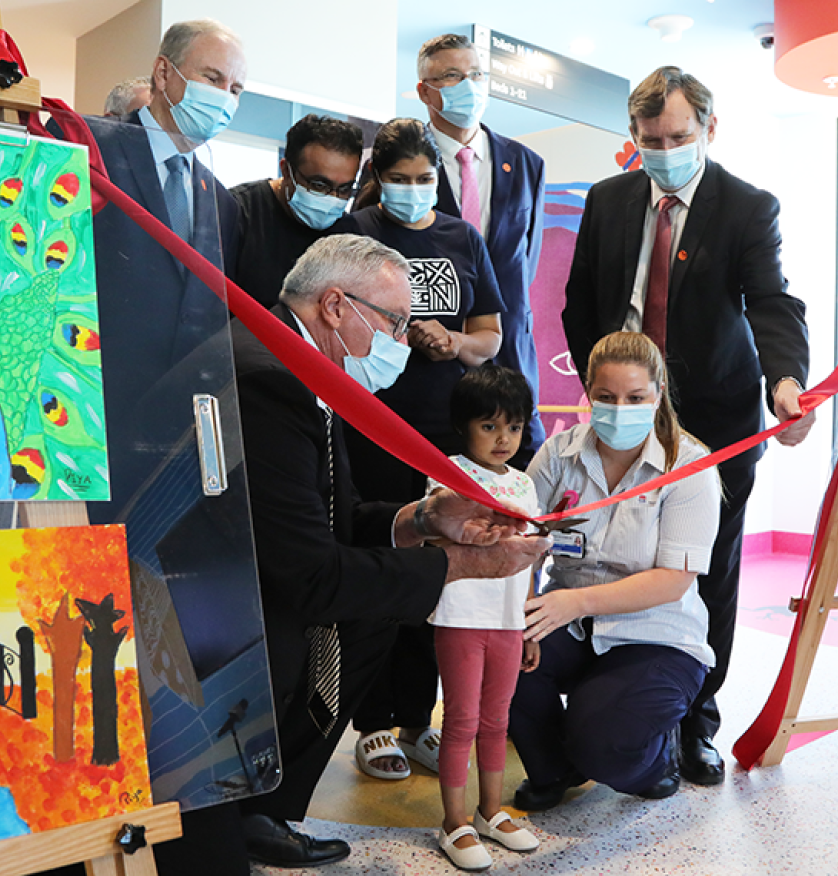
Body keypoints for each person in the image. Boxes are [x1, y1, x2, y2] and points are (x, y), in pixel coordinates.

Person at [184, 235, 543, 872]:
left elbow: (336, 517)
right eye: (396, 321)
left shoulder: (301, 368)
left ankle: (263, 807)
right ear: (334, 307)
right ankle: (240, 806)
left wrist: (424, 518)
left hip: (263, 585)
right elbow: (310, 572)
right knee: (372, 609)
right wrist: (457, 565)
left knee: (380, 609)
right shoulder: (271, 381)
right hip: (220, 618)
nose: (405, 340)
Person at [562, 66, 813, 786]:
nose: (663, 150)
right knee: (611, 552)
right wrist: (600, 386)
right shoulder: (608, 201)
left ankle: (695, 721)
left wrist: (784, 383)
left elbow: (769, 303)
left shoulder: (744, 206)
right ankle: (617, 701)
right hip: (621, 411)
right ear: (633, 136)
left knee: (707, 570)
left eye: (677, 136)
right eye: (648, 139)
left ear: (709, 126)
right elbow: (581, 302)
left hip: (714, 415)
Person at [335, 118, 504, 781]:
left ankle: (415, 719)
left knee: (436, 577)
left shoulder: (461, 236)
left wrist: (455, 345)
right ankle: (371, 722)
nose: (410, 191)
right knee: (379, 567)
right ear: (377, 179)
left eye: (422, 179)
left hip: (442, 437)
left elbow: (489, 333)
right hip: (369, 427)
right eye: (397, 180)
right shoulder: (355, 236)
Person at [510, 331, 720, 810]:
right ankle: (555, 769)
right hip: (569, 621)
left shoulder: (689, 465)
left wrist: (574, 602)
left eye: (635, 398)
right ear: (587, 392)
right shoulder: (558, 455)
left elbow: (674, 579)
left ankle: (655, 758)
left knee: (606, 746)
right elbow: (525, 541)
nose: (619, 409)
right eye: (605, 398)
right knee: (499, 657)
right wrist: (522, 611)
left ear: (659, 394)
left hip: (656, 634)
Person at [85, 19, 245, 523]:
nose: (225, 97)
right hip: (87, 421)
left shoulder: (220, 200)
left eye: (236, 88)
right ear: (163, 73)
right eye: (213, 78)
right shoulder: (93, 148)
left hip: (171, 444)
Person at [428, 364, 541, 870]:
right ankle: (454, 824)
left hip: (509, 621)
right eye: (489, 426)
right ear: (463, 425)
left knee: (497, 721)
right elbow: (435, 532)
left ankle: (491, 810)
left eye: (513, 427)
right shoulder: (444, 474)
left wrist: (530, 621)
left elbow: (533, 558)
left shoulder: (526, 484)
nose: (503, 439)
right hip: (460, 616)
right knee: (462, 721)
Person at [417, 34, 547, 459]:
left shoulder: (525, 163)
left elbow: (525, 262)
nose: (468, 86)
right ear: (425, 91)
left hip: (510, 361)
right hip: (432, 368)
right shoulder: (401, 164)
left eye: (476, 74)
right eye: (452, 76)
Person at [229, 114, 362, 308]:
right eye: (319, 185)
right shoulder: (237, 213)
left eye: (345, 189)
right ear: (286, 171)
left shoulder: (349, 234)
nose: (333, 198)